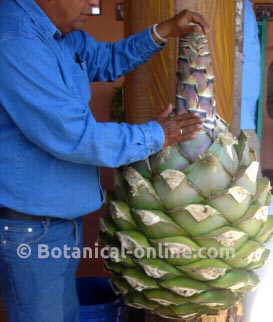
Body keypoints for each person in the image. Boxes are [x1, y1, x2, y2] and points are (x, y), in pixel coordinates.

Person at [0, 0, 209, 321]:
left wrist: (164, 31)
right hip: (29, 225)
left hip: (56, 220)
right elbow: (74, 137)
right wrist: (156, 136)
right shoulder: (15, 41)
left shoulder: (62, 34)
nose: (93, 5)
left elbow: (106, 60)